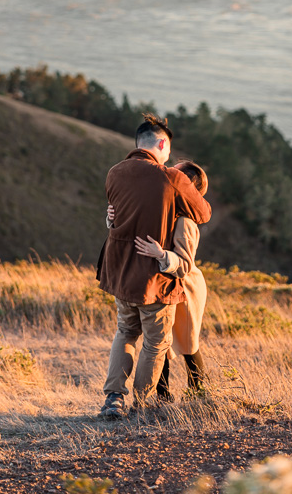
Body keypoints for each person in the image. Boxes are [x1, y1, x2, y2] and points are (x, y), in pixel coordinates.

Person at [96, 114, 211, 419]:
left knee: (125, 332)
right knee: (157, 343)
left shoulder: (114, 173)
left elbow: (119, 217)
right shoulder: (171, 179)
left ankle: (113, 399)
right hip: (154, 281)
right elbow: (204, 212)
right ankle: (142, 403)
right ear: (162, 144)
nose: (168, 158)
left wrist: (110, 218)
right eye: (168, 151)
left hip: (119, 274)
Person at [134, 161, 208, 401]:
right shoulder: (166, 212)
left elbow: (184, 265)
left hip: (186, 287)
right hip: (165, 285)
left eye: (175, 176)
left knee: (188, 344)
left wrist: (160, 255)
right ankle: (164, 398)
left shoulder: (186, 220)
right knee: (162, 343)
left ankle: (197, 396)